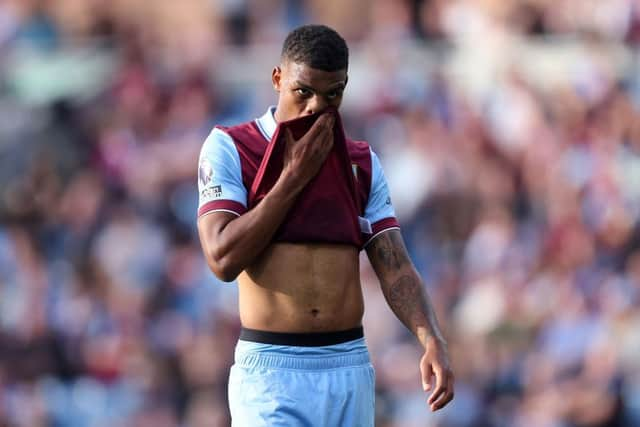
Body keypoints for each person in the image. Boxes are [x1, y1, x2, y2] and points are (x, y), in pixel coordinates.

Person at [197, 24, 454, 426]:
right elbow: (222, 258)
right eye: (304, 91)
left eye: (332, 94)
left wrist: (430, 338)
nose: (317, 106)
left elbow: (395, 267)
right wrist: (295, 177)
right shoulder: (231, 146)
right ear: (278, 78)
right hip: (272, 368)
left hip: (347, 363)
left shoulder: (361, 162)